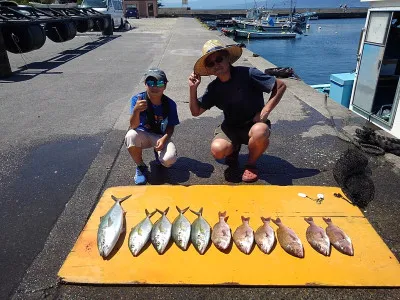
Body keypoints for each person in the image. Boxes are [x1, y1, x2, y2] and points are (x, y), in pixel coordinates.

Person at [188, 40, 286, 183]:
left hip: (253, 124)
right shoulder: (214, 88)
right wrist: (192, 88)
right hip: (230, 128)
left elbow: (281, 86)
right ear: (209, 69)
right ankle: (233, 149)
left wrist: (265, 111)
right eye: (211, 63)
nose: (216, 65)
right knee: (218, 150)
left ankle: (251, 164)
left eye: (219, 59)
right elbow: (196, 111)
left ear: (228, 58)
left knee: (260, 131)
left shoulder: (248, 73)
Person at [125, 68, 180, 185]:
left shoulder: (170, 104)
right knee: (130, 135)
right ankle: (140, 166)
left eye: (160, 83)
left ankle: (159, 154)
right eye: (151, 83)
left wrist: (164, 139)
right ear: (145, 84)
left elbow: (171, 127)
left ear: (165, 86)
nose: (155, 87)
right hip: (143, 135)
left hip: (160, 136)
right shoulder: (137, 99)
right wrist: (136, 111)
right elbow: (133, 125)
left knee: (168, 160)